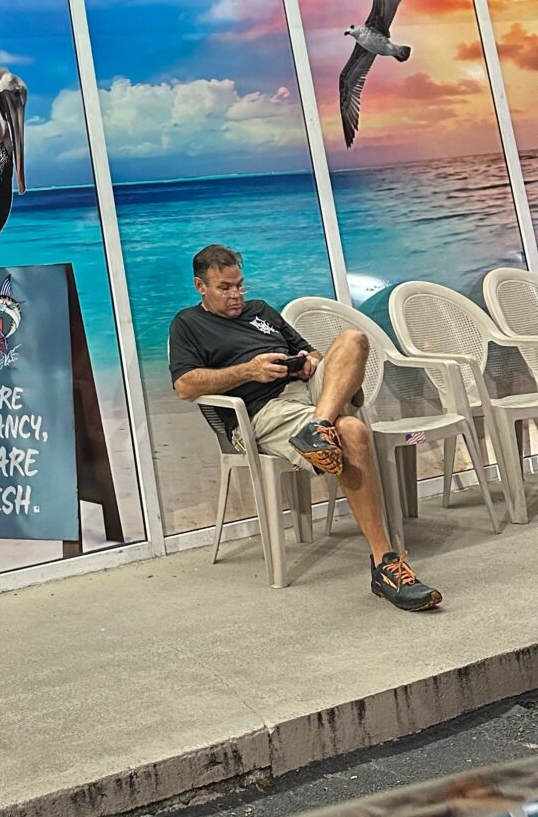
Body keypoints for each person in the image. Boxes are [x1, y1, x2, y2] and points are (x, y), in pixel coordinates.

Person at [168, 243, 441, 611]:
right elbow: (185, 386)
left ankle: (318, 426)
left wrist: (308, 361)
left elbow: (312, 352)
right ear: (201, 286)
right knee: (354, 432)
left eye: (240, 286)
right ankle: (384, 564)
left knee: (353, 339)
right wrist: (250, 370)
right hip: (262, 411)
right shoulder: (187, 324)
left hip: (308, 395)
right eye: (225, 288)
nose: (236, 295)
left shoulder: (261, 310)